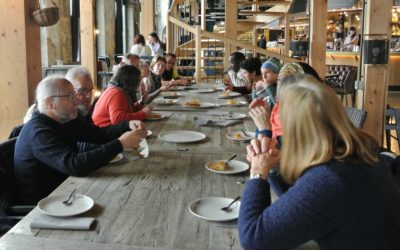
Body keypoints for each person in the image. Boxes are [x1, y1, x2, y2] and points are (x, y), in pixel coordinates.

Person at [239, 74, 400, 250]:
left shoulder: (330, 179)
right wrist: (274, 166)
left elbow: (254, 239)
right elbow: (299, 204)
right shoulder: (361, 151)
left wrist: (257, 173)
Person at [14, 75, 146, 205]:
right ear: (50, 103)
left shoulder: (65, 119)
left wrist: (127, 124)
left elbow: (99, 135)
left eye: (75, 95)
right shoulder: (38, 132)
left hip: (71, 189)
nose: (77, 101)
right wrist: (121, 144)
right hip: (45, 205)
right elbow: (73, 165)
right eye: (70, 97)